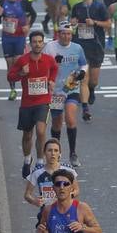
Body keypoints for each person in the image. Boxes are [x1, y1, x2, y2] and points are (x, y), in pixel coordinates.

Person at [8, 29, 58, 177]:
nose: (37, 44)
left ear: (43, 43)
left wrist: (51, 81)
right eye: (35, 42)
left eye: (40, 42)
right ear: (30, 44)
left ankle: (40, 162)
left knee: (41, 131)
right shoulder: (22, 60)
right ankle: (27, 159)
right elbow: (10, 76)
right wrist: (21, 73)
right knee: (27, 135)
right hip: (27, 103)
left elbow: (54, 68)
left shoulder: (49, 59)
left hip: (43, 101)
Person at [44, 20, 88, 167]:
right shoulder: (50, 47)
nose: (66, 37)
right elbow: (43, 63)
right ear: (58, 34)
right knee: (57, 123)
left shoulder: (77, 47)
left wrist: (82, 72)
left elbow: (84, 63)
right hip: (55, 91)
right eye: (63, 34)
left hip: (71, 87)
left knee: (70, 118)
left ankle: (73, 153)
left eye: (69, 34)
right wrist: (52, 63)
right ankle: (55, 153)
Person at [70, 0, 110, 114]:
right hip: (80, 46)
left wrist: (95, 23)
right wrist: (73, 23)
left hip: (96, 46)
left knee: (93, 80)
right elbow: (72, 24)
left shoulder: (100, 6)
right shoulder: (76, 7)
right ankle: (85, 106)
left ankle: (91, 90)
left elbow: (108, 24)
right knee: (84, 78)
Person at [0, 0, 35, 100]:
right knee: (10, 66)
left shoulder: (23, 2)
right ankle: (12, 90)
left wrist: (28, 25)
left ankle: (24, 89)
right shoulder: (2, 2)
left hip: (19, 38)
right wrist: (0, 14)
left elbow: (33, 14)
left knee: (19, 63)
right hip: (7, 38)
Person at [24, 139, 77, 211]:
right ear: (44, 153)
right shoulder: (37, 172)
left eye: (56, 150)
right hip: (46, 212)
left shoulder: (69, 170)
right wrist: (34, 201)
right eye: (50, 150)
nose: (53, 153)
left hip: (65, 210)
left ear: (59, 153)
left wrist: (67, 196)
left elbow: (76, 190)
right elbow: (27, 195)